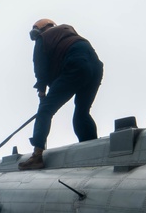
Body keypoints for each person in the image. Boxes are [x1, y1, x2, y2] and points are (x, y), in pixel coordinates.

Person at [19, 18, 104, 170]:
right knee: (82, 111)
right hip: (95, 68)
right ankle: (93, 150)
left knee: (45, 111)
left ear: (40, 30)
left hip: (76, 66)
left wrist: (42, 92)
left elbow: (40, 68)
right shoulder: (68, 32)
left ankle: (37, 155)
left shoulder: (42, 38)